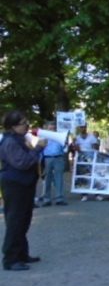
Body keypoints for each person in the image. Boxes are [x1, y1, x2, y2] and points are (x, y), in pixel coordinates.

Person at [0, 111, 45, 271]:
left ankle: (21, 254)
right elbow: (23, 163)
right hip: (15, 185)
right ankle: (10, 259)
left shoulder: (20, 139)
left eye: (27, 122)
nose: (27, 125)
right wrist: (38, 149)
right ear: (13, 126)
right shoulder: (10, 142)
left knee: (24, 220)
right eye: (23, 123)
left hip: (23, 184)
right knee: (15, 221)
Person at [39, 121, 68, 206]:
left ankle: (59, 198)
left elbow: (64, 149)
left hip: (58, 158)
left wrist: (65, 143)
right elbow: (39, 148)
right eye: (50, 128)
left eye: (53, 128)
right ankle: (47, 199)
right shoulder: (43, 136)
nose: (52, 130)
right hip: (47, 158)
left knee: (59, 178)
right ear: (47, 129)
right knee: (47, 178)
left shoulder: (59, 136)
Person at [73, 125, 100, 202]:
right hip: (81, 159)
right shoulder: (77, 138)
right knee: (82, 176)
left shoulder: (91, 137)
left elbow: (96, 148)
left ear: (86, 128)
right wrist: (74, 143)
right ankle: (84, 194)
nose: (83, 129)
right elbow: (76, 149)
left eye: (84, 127)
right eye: (81, 127)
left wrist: (94, 147)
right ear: (79, 128)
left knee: (93, 176)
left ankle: (96, 194)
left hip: (91, 158)